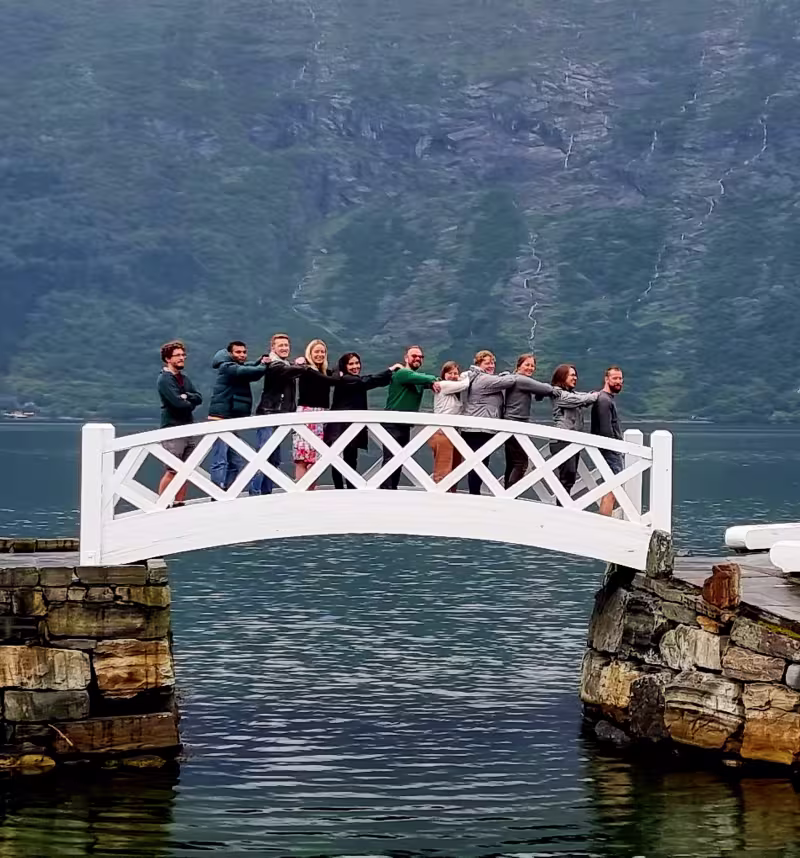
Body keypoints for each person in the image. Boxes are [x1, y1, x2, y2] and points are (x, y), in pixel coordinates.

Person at [326, 352, 399, 489]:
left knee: (350, 460)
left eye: (357, 363)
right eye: (351, 364)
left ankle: (349, 489)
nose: (355, 366)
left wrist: (391, 376)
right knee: (338, 461)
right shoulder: (347, 379)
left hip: (349, 426)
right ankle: (340, 490)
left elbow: (372, 381)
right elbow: (368, 381)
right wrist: (390, 370)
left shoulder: (348, 378)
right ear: (344, 366)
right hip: (340, 427)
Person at [250, 333, 312, 496]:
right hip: (269, 414)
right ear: (273, 348)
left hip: (280, 415)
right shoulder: (274, 365)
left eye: (286, 345)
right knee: (264, 456)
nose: (284, 348)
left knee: (274, 459)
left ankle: (266, 492)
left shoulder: (283, 363)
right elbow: (290, 370)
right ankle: (255, 493)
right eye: (281, 345)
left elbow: (292, 369)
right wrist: (303, 365)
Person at [207, 341, 269, 490]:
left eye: (243, 352)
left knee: (235, 461)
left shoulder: (234, 366)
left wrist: (260, 361)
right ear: (230, 354)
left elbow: (248, 367)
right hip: (220, 418)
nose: (242, 355)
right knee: (220, 459)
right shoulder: (227, 367)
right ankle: (217, 494)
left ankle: (227, 490)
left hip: (231, 418)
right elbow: (247, 372)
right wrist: (265, 365)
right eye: (238, 352)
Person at [381, 345, 439, 490]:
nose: (418, 359)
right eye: (414, 356)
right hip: (392, 423)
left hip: (404, 425)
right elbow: (425, 378)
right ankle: (386, 490)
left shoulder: (416, 380)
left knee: (400, 459)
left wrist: (433, 382)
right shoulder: (402, 373)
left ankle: (392, 488)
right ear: (406, 358)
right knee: (390, 459)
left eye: (420, 357)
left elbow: (424, 379)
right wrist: (433, 380)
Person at [461, 350, 517, 496]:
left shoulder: (480, 378)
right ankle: (474, 494)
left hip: (480, 428)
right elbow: (510, 381)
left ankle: (475, 493)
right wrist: (508, 374)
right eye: (487, 363)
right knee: (478, 464)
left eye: (492, 362)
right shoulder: (482, 379)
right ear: (478, 364)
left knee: (480, 463)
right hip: (476, 429)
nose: (491, 365)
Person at [157, 341, 203, 506]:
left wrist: (186, 396)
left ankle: (178, 503)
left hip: (187, 427)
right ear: (168, 359)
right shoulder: (164, 379)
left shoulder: (184, 378)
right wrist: (186, 399)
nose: (182, 358)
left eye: (183, 355)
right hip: (172, 428)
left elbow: (199, 397)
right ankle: (162, 504)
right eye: (177, 355)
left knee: (185, 471)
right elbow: (178, 404)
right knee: (172, 470)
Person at [501, 353, 555, 488]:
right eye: (527, 365)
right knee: (521, 462)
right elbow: (547, 389)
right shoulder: (521, 380)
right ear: (519, 366)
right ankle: (510, 496)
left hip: (509, 422)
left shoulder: (514, 379)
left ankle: (506, 494)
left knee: (512, 462)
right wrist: (541, 391)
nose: (530, 368)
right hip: (516, 423)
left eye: (532, 365)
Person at [293, 338, 338, 486]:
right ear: (310, 353)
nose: (320, 354)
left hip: (322, 413)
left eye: (322, 352)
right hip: (307, 412)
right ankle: (302, 491)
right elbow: (331, 381)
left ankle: (311, 490)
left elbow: (334, 376)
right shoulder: (306, 369)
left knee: (316, 457)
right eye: (316, 351)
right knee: (302, 456)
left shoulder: (326, 371)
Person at [550, 364, 599, 499]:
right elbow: (580, 399)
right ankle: (561, 509)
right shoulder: (558, 394)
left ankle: (563, 507)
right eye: (572, 375)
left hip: (572, 440)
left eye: (575, 375)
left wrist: (594, 395)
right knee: (567, 476)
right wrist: (596, 396)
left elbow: (582, 396)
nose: (575, 378)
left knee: (570, 477)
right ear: (562, 376)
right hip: (562, 440)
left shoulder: (571, 393)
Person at [591, 366, 625, 516]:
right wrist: (614, 447)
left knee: (612, 489)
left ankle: (606, 520)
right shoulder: (604, 400)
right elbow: (605, 430)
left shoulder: (607, 399)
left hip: (612, 450)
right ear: (606, 379)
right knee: (612, 489)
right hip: (609, 451)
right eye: (615, 378)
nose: (618, 381)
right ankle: (604, 523)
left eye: (620, 378)